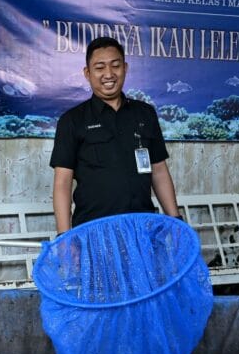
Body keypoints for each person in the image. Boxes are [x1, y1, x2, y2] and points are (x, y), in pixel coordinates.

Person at [49, 36, 180, 233]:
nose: (109, 74)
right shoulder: (72, 121)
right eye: (100, 67)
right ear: (87, 73)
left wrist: (176, 220)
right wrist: (65, 237)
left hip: (141, 229)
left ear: (125, 68)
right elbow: (62, 183)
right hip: (93, 232)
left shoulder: (145, 113)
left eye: (115, 65)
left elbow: (159, 170)